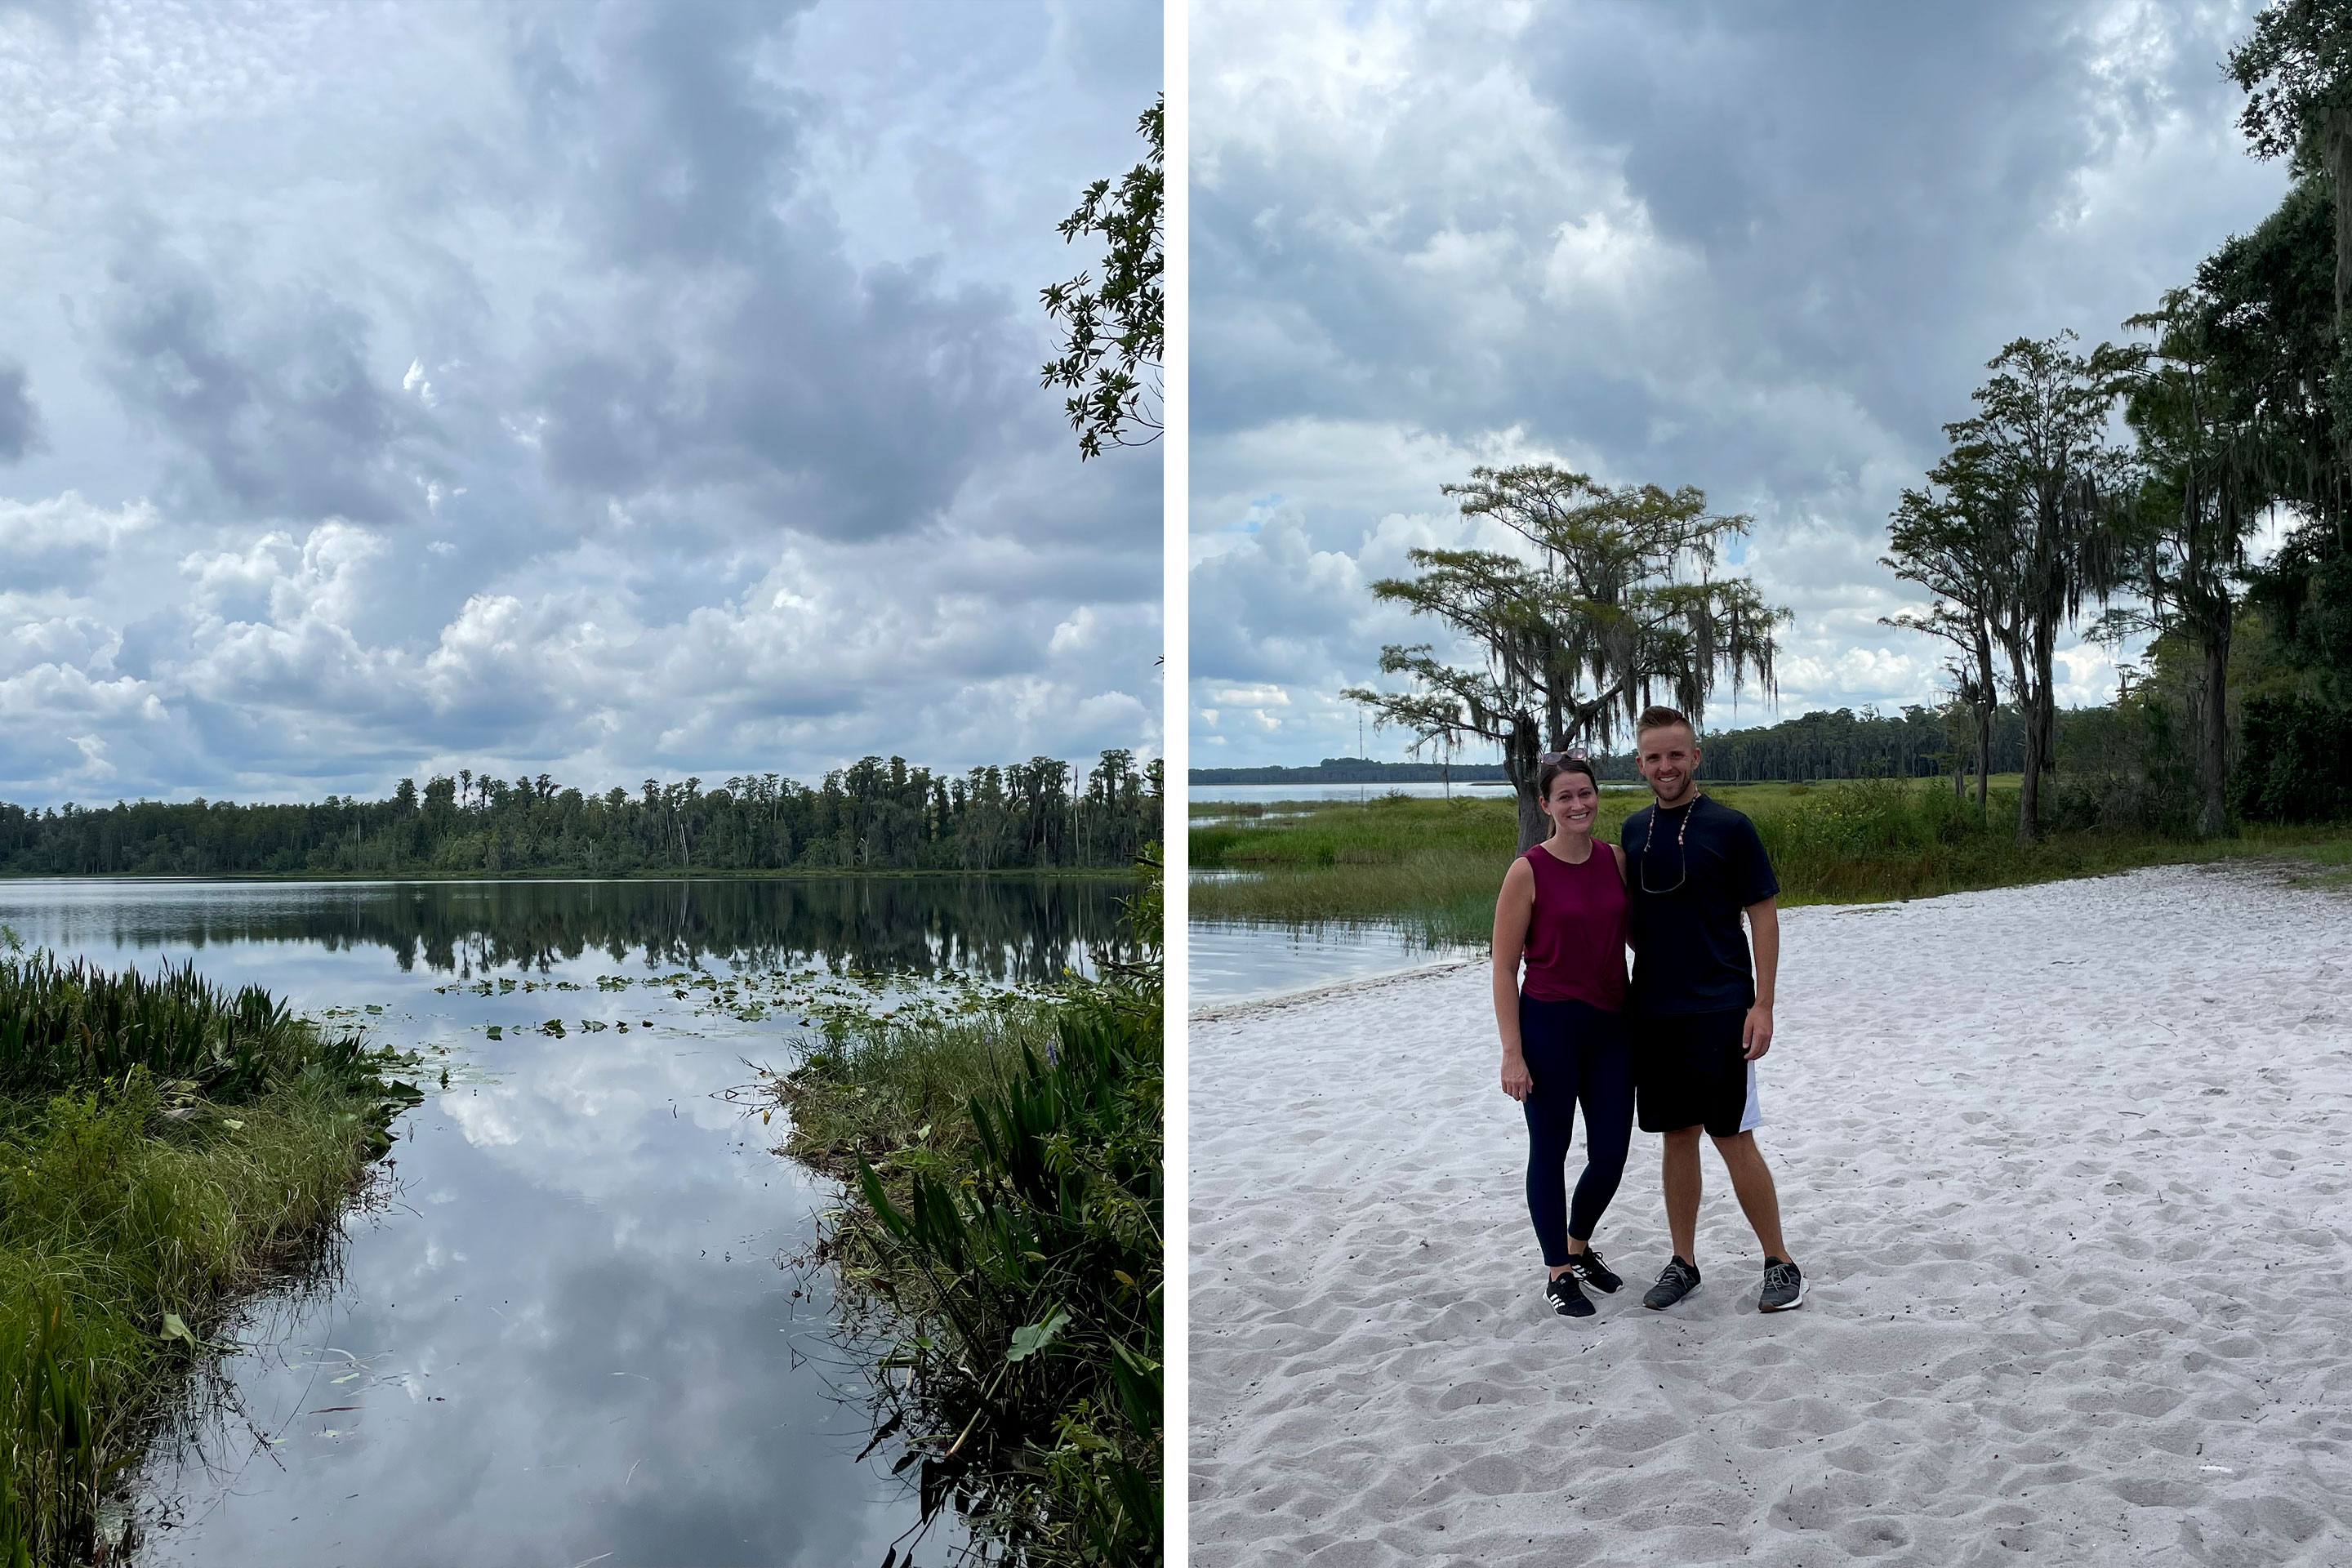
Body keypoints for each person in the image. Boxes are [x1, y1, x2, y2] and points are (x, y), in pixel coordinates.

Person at [1619, 706, 1804, 1313]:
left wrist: (1764, 1004)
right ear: (1640, 762)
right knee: (1677, 1136)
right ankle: (1684, 1262)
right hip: (1655, 1011)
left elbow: (1765, 915)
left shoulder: (1731, 827)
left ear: (1696, 757)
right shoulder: (1632, 830)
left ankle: (1779, 1261)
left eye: (1676, 755)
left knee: (1732, 1134)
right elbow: (1629, 920)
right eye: (1654, 757)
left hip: (1722, 1007)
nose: (1665, 766)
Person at [1491, 751, 1635, 1319]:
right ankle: (1557, 1270)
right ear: (1545, 805)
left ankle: (1578, 1246)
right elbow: (1504, 967)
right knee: (1549, 1152)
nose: (1579, 805)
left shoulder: (1617, 861)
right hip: (1549, 1025)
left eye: (1586, 793)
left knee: (1611, 1155)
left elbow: (1636, 941)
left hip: (1612, 1028)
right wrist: (1512, 1053)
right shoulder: (1527, 869)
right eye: (1566, 797)